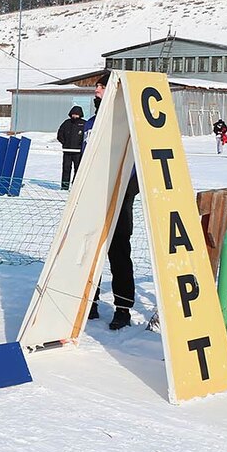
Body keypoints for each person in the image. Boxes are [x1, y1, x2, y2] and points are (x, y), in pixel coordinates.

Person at [85, 74, 137, 330]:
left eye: (102, 86)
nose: (97, 89)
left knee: (118, 253)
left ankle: (123, 307)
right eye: (96, 86)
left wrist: (127, 192)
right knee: (88, 252)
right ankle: (89, 302)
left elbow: (136, 167)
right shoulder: (91, 124)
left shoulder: (127, 123)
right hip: (91, 196)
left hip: (119, 196)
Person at [57, 106, 86, 189]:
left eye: (77, 114)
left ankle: (75, 187)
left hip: (78, 152)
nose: (75, 116)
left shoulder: (84, 124)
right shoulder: (66, 123)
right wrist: (64, 143)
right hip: (67, 151)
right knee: (66, 168)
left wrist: (82, 146)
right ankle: (64, 186)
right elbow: (60, 134)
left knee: (78, 169)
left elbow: (87, 136)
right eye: (73, 114)